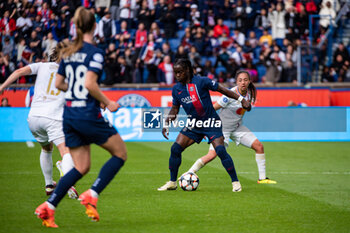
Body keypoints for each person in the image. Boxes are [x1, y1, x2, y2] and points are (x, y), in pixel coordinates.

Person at [34, 7, 127, 228]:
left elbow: (58, 83)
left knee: (81, 167)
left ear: (76, 26)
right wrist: (108, 102)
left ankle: (49, 206)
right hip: (87, 114)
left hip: (69, 115)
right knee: (120, 153)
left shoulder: (68, 52)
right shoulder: (95, 52)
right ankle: (92, 193)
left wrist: (76, 92)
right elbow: (89, 84)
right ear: (94, 26)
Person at [157, 59, 251, 192]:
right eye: (175, 73)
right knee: (175, 149)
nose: (177, 75)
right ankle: (172, 182)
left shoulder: (201, 81)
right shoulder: (176, 89)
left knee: (220, 151)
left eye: (180, 72)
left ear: (187, 70)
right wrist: (166, 123)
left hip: (211, 122)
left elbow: (222, 89)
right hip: (194, 124)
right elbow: (174, 109)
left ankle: (235, 182)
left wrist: (241, 99)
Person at [0, 42, 78, 198]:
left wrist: (2, 87)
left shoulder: (41, 66)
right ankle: (67, 181)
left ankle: (49, 185)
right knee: (66, 151)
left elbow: (19, 71)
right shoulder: (69, 74)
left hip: (34, 118)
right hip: (53, 117)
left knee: (46, 149)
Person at [185, 71, 277, 184]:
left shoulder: (250, 93)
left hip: (238, 128)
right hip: (222, 129)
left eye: (245, 80)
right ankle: (188, 173)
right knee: (212, 155)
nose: (243, 82)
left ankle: (262, 179)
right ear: (236, 82)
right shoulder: (229, 95)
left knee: (259, 146)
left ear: (249, 81)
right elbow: (212, 109)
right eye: (240, 80)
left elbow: (243, 110)